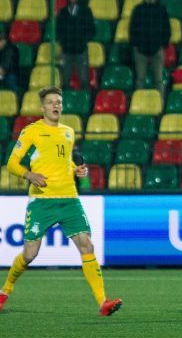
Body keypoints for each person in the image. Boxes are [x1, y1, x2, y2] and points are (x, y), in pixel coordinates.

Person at [0, 86, 122, 315]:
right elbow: (12, 163)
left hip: (69, 199)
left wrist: (77, 170)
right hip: (42, 201)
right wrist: (29, 175)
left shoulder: (68, 132)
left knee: (87, 245)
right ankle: (4, 291)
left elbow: (64, 160)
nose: (55, 105)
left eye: (58, 102)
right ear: (42, 107)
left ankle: (102, 302)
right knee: (30, 254)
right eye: (50, 102)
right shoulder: (31, 132)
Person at [130, 0, 171, 99]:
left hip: (157, 49)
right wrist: (135, 46)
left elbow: (166, 28)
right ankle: (138, 102)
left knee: (158, 80)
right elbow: (133, 29)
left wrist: (163, 44)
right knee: (140, 79)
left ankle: (160, 103)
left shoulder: (161, 9)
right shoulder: (138, 9)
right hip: (140, 50)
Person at [56, 0, 95, 90]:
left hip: (81, 50)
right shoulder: (63, 12)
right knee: (64, 80)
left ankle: (86, 103)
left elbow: (91, 29)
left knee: (84, 80)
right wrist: (64, 43)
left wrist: (82, 41)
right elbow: (58, 30)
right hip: (66, 51)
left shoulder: (86, 11)